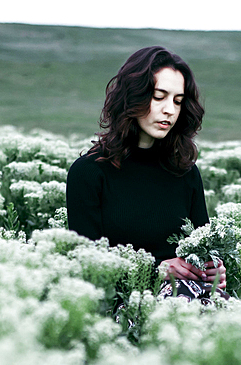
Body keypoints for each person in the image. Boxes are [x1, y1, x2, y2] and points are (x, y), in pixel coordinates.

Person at [66, 46, 226, 300]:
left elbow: (202, 247)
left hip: (187, 300)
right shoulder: (89, 172)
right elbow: (87, 265)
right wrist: (159, 269)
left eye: (178, 101)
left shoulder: (185, 171)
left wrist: (211, 269)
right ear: (133, 97)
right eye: (159, 96)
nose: (170, 110)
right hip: (122, 304)